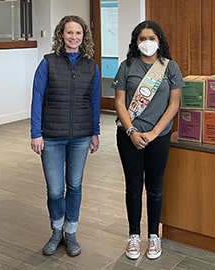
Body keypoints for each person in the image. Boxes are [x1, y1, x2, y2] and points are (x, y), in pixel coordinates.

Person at [30, 15, 101, 257]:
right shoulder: (48, 63)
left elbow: (94, 101)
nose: (74, 37)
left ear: (84, 37)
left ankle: (70, 233)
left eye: (78, 33)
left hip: (81, 136)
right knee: (54, 189)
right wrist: (35, 133)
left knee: (75, 185)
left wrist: (95, 132)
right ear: (62, 35)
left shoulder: (91, 66)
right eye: (69, 32)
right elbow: (37, 98)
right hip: (51, 137)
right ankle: (56, 230)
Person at [113, 20, 184, 260]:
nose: (147, 43)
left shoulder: (170, 67)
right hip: (129, 137)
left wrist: (154, 134)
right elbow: (119, 102)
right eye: (142, 39)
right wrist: (132, 131)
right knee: (133, 187)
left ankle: (154, 236)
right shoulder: (126, 66)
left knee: (155, 188)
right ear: (135, 42)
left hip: (159, 137)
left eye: (151, 38)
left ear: (159, 41)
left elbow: (174, 104)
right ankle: (134, 236)